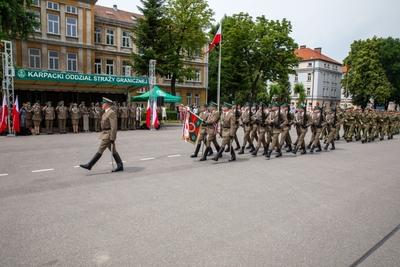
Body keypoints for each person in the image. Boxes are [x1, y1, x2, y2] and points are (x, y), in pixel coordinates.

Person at [80, 97, 123, 172]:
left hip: (108, 135)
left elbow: (114, 127)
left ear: (107, 104)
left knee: (100, 149)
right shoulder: (106, 112)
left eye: (103, 103)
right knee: (113, 151)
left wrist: (113, 138)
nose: (102, 105)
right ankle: (120, 165)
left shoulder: (111, 113)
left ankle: (90, 165)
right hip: (105, 133)